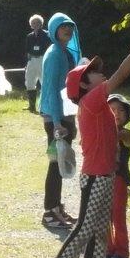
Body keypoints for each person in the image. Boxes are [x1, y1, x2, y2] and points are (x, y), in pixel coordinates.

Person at [41, 29, 130, 258]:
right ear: (84, 85)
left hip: (105, 176)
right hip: (95, 177)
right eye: (92, 72)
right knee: (84, 227)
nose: (99, 72)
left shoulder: (100, 104)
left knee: (99, 228)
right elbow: (120, 76)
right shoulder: (91, 100)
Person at [38, 12, 82, 228]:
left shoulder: (65, 52)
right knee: (56, 163)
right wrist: (56, 123)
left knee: (62, 162)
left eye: (70, 26)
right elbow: (53, 91)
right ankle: (49, 212)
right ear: (54, 30)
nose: (67, 30)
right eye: (63, 26)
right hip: (56, 117)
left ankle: (57, 208)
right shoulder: (55, 53)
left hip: (65, 114)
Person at [106, 94, 130, 258]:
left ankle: (122, 250)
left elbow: (120, 138)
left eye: (121, 110)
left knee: (118, 215)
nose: (116, 113)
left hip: (118, 179)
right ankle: (108, 248)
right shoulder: (102, 130)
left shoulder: (126, 133)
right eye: (112, 110)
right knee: (105, 216)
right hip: (103, 177)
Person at [24, 14, 52, 113]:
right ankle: (32, 106)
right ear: (31, 25)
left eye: (37, 23)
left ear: (41, 24)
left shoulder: (47, 35)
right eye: (33, 23)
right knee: (29, 82)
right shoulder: (29, 36)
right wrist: (27, 63)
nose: (35, 25)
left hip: (43, 59)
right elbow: (27, 51)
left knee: (44, 82)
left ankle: (45, 106)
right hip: (32, 60)